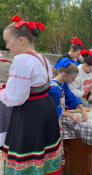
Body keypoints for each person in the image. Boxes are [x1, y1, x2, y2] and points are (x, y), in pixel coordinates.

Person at [0, 16, 62, 174]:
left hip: (30, 115)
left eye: (8, 41)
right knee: (43, 151)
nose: (7, 46)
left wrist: (2, 91)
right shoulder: (41, 58)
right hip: (45, 110)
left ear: (20, 40)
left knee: (26, 154)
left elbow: (16, 97)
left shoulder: (21, 60)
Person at [49, 58, 88, 123]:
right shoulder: (54, 88)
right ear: (64, 75)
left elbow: (70, 97)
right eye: (72, 78)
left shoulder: (63, 84)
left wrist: (82, 108)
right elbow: (52, 110)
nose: (74, 80)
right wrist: (71, 115)